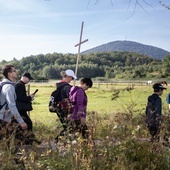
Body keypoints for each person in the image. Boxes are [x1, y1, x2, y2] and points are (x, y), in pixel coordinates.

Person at [0, 65, 28, 140]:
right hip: (2, 119)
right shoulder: (9, 87)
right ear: (9, 74)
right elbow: (11, 105)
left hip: (3, 118)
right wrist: (21, 121)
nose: (16, 72)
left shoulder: (3, 84)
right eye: (14, 71)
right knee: (6, 143)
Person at [54, 69, 77, 142]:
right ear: (68, 77)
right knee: (69, 127)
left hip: (58, 109)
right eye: (71, 78)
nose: (71, 80)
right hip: (65, 110)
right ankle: (56, 142)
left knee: (67, 127)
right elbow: (71, 100)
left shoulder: (59, 85)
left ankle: (65, 142)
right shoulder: (67, 87)